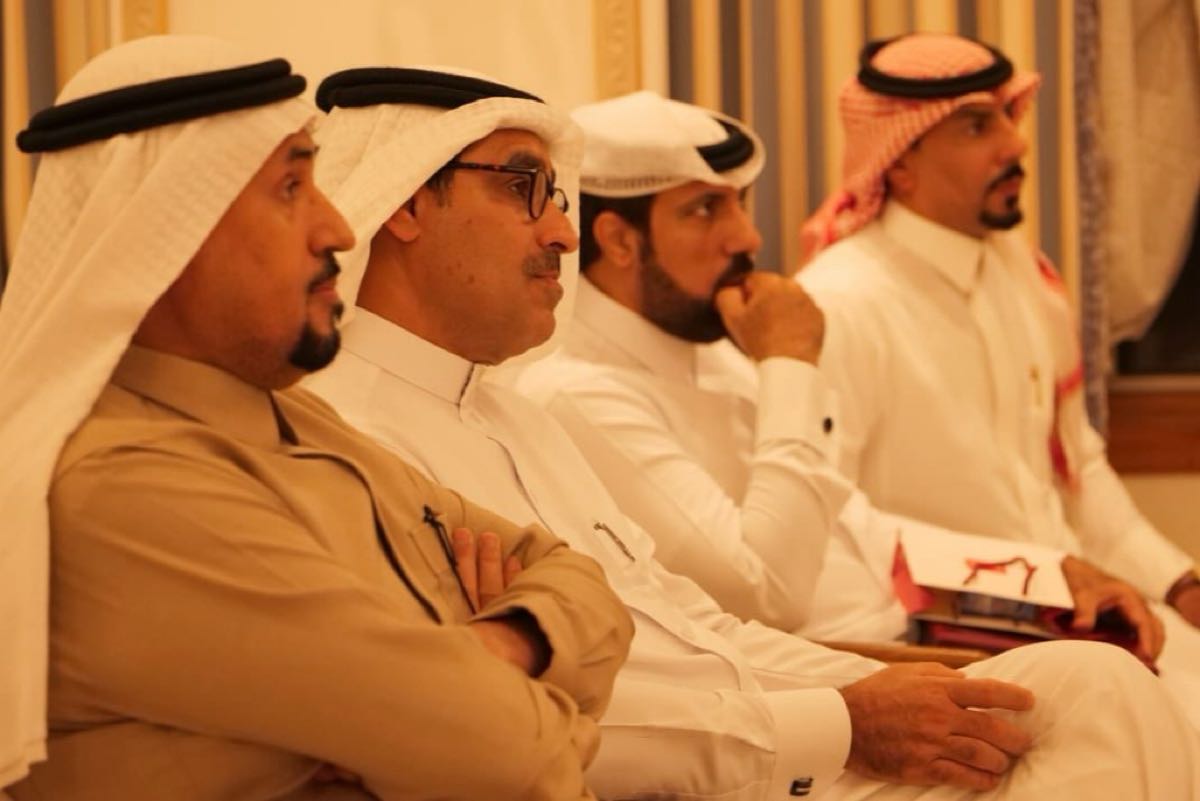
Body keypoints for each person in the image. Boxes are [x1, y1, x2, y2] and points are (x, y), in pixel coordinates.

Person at [306, 66, 1200, 800]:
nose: (562, 235)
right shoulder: (359, 437)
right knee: (1124, 705)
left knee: (1099, 685)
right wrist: (845, 716)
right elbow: (552, 693)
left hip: (816, 695)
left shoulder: (522, 414)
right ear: (405, 205)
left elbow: (694, 614)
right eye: (522, 189)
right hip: (725, 760)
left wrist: (883, 681)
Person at [0, 36, 631, 801]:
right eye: (291, 188)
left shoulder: (299, 419)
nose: (337, 227)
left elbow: (589, 592)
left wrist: (506, 643)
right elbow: (518, 759)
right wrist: (511, 703)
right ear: (169, 225)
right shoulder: (123, 485)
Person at [793, 32, 1200, 718]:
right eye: (977, 126)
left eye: (1009, 116)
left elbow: (1078, 471)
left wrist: (1180, 581)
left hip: (1079, 619)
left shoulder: (1022, 275)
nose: (1015, 144)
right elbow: (826, 524)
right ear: (900, 161)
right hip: (950, 651)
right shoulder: (839, 303)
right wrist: (1040, 579)